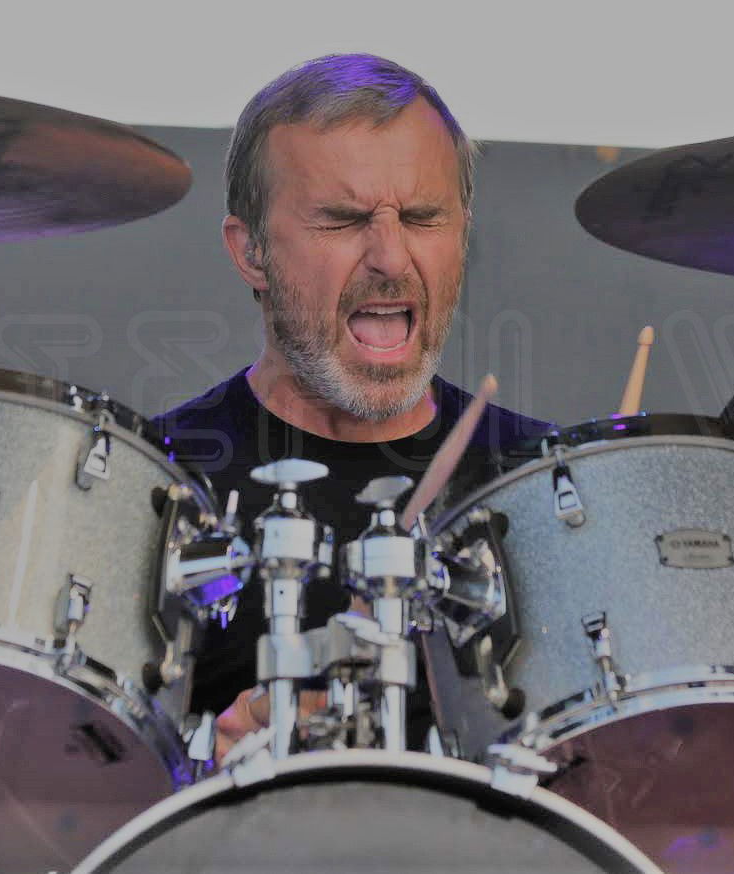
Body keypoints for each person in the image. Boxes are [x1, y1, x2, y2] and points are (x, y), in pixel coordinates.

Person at [151, 53, 551, 756]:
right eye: (341, 221)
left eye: (422, 218)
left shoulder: (546, 486)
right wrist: (191, 760)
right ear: (251, 252)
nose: (391, 259)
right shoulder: (156, 491)